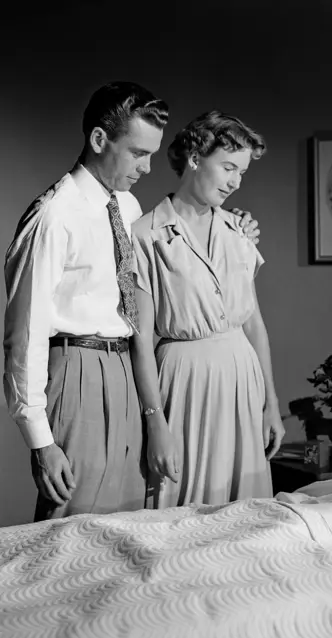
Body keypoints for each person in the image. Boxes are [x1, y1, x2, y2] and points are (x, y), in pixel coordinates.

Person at [3, 83, 261, 521]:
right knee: (72, 527)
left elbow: (171, 253)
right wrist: (41, 441)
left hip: (128, 373)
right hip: (78, 370)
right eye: (137, 153)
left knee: (126, 524)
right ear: (99, 140)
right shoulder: (54, 215)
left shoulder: (125, 204)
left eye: (151, 154)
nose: (146, 167)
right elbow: (24, 333)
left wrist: (236, 225)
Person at [130, 110, 285, 508]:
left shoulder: (238, 231)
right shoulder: (146, 234)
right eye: (229, 167)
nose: (235, 182)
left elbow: (254, 323)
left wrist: (271, 402)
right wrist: (155, 421)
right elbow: (141, 340)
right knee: (180, 509)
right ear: (196, 158)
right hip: (185, 383)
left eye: (243, 172)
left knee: (245, 515)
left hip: (242, 378)